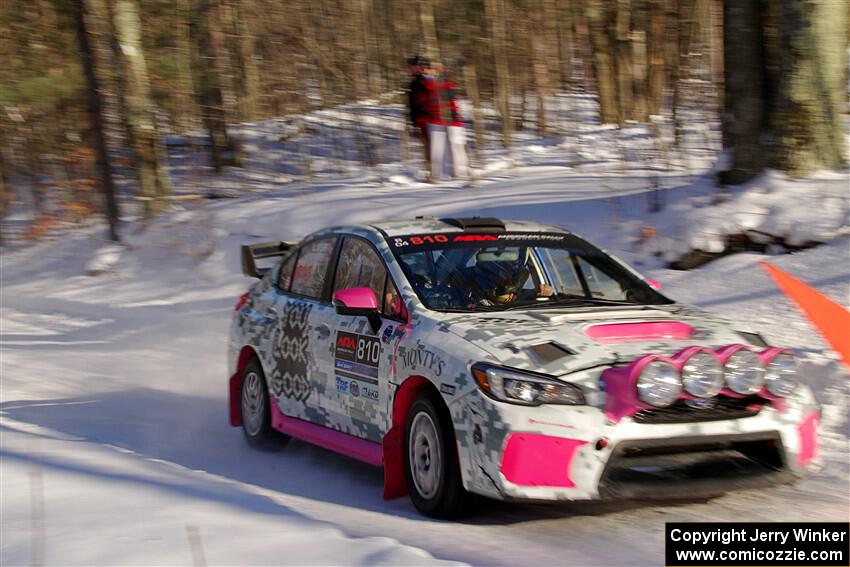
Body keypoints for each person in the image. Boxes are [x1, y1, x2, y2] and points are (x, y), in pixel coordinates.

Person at [406, 56, 435, 175]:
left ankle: (433, 172)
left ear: (419, 67)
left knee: (430, 145)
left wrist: (416, 119)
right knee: (428, 145)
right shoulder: (416, 82)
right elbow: (412, 104)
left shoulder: (423, 81)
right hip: (422, 119)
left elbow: (421, 101)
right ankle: (431, 170)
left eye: (411, 66)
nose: (408, 69)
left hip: (428, 119)